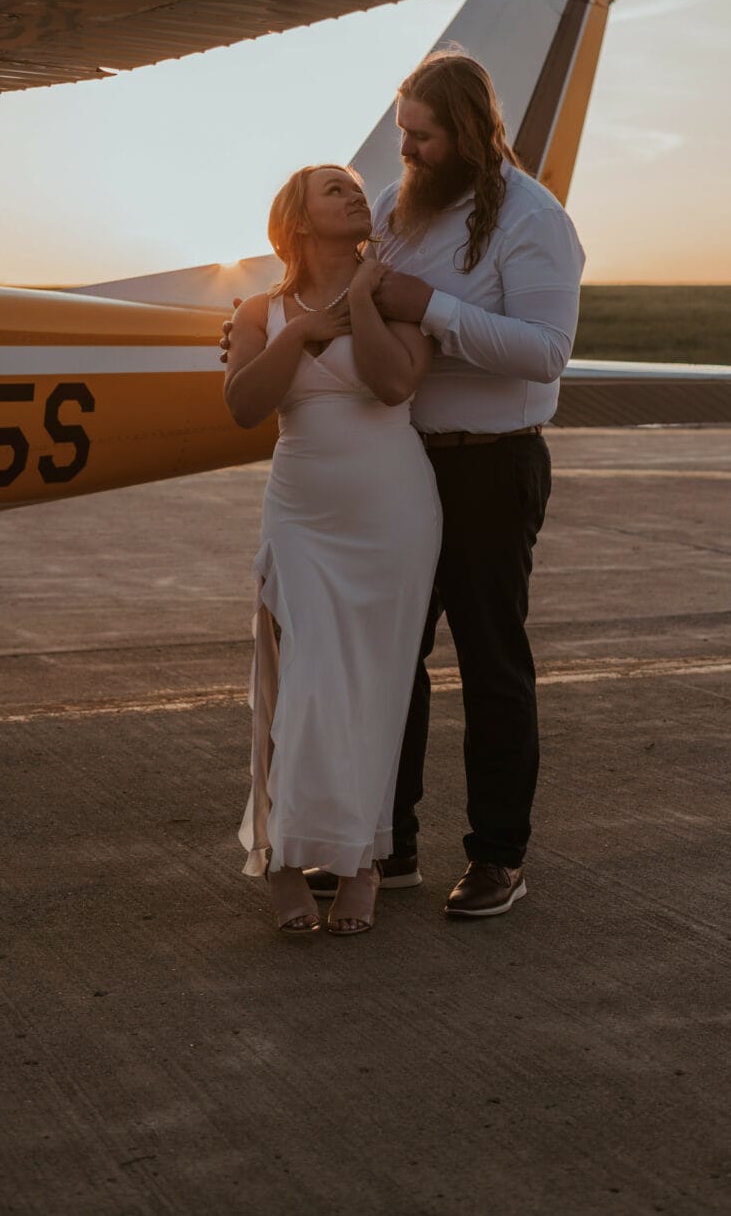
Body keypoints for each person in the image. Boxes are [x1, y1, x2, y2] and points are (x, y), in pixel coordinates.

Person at [304, 51, 583, 919]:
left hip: (494, 465)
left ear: (464, 134)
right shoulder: (396, 206)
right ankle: (388, 847)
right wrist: (275, 334)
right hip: (404, 463)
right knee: (395, 660)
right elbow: (351, 299)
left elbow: (545, 351)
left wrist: (432, 310)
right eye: (401, 134)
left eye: (420, 137)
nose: (406, 152)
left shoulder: (536, 222)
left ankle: (499, 857)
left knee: (493, 664)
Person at [224, 163, 440, 937]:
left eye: (356, 188)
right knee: (306, 687)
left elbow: (392, 387)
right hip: (302, 519)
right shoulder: (261, 310)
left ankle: (361, 862)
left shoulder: (393, 296)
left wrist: (356, 304)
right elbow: (247, 405)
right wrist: (310, 331)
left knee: (375, 693)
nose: (356, 194)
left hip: (394, 514)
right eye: (335, 189)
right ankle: (286, 857)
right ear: (300, 220)